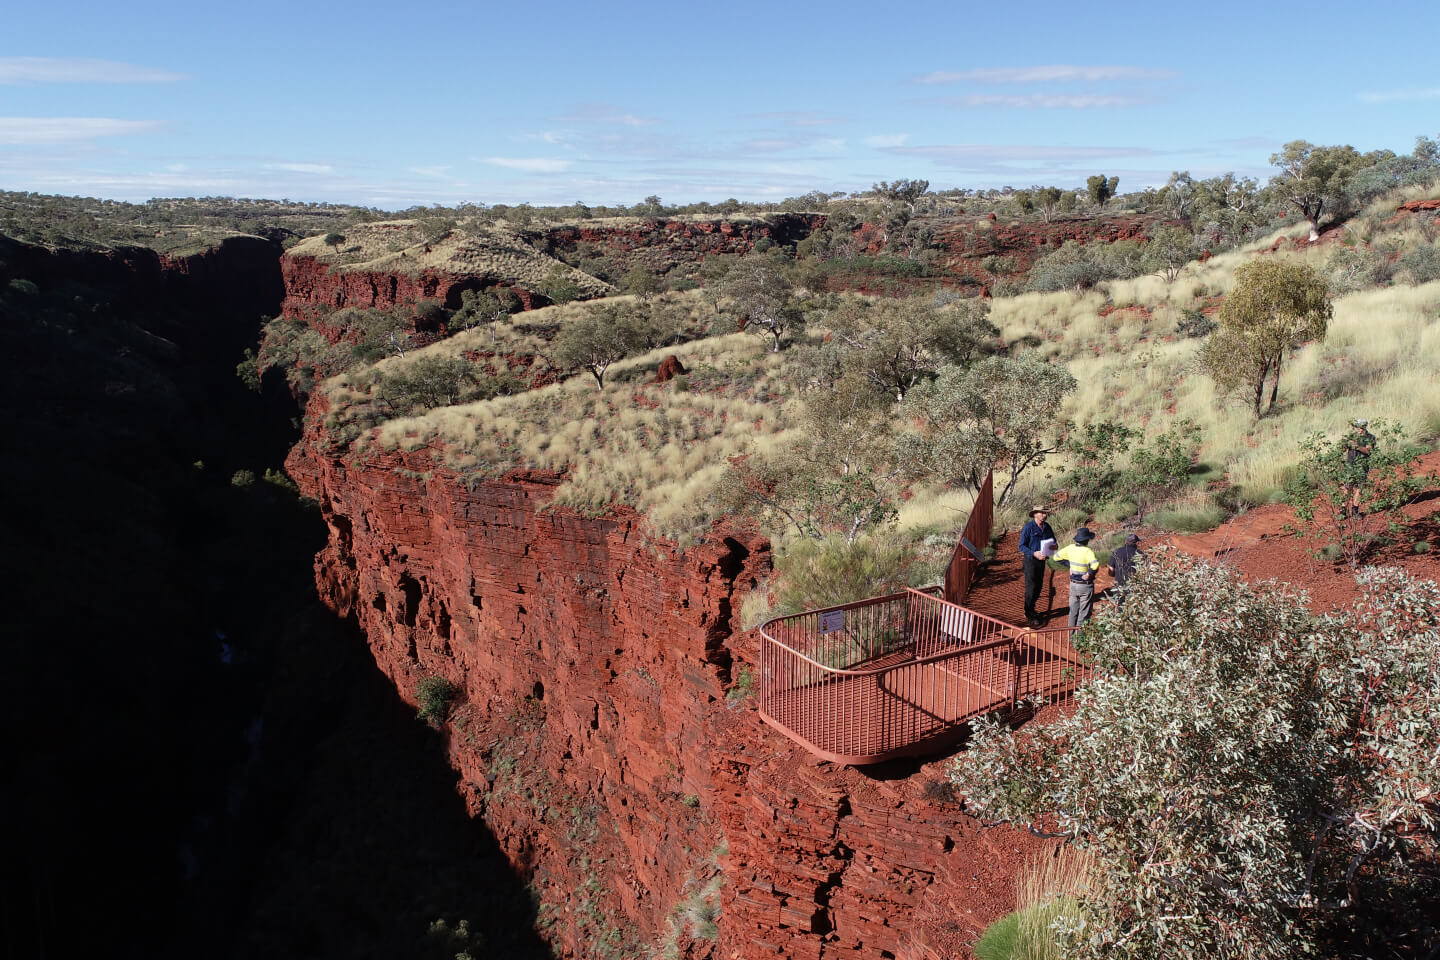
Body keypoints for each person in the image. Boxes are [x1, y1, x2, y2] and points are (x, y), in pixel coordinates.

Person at [1053, 527, 1101, 628]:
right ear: (1087, 540)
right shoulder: (1087, 551)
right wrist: (1089, 574)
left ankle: (1071, 634)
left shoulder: (1070, 548)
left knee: (1073, 611)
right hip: (1085, 586)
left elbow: (1056, 557)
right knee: (1084, 613)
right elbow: (1095, 564)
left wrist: (1069, 565)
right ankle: (1079, 636)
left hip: (1073, 585)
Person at [1018, 506, 1056, 627]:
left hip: (1042, 561)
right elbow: (1021, 546)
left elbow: (1053, 542)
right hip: (1030, 561)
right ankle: (1029, 614)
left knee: (1039, 587)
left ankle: (1032, 609)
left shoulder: (1047, 527)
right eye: (1042, 513)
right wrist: (1034, 553)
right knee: (1031, 587)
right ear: (1035, 514)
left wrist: (1049, 551)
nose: (1044, 515)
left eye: (1045, 513)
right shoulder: (1028, 528)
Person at [1344, 418, 1376, 518]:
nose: (1359, 429)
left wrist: (1357, 447)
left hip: (1362, 465)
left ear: (1365, 427)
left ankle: (1355, 511)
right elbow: (1345, 449)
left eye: (1361, 427)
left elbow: (1368, 451)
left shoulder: (1370, 437)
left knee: (1359, 488)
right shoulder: (1351, 436)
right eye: (1358, 427)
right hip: (1350, 465)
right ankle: (1343, 510)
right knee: (1347, 487)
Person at [1107, 533, 1143, 608]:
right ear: (1136, 543)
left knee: (1119, 607)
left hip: (1119, 585)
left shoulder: (1117, 552)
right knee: (1134, 608)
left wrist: (1112, 574)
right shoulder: (1140, 553)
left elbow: (1111, 568)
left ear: (1125, 541)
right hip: (1134, 585)